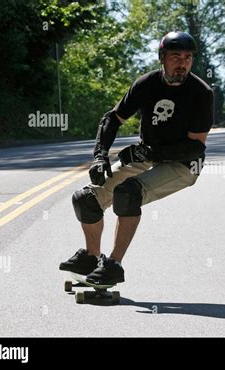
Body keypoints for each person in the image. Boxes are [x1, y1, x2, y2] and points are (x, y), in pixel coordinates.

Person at [59, 31, 214, 284]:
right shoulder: (146, 84)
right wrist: (100, 157)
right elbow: (112, 119)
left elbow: (194, 148)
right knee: (86, 199)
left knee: (128, 193)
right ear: (162, 58)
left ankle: (113, 265)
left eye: (188, 58)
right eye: (176, 57)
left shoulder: (200, 93)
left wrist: (149, 152)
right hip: (150, 154)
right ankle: (91, 257)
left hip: (184, 164)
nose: (182, 63)